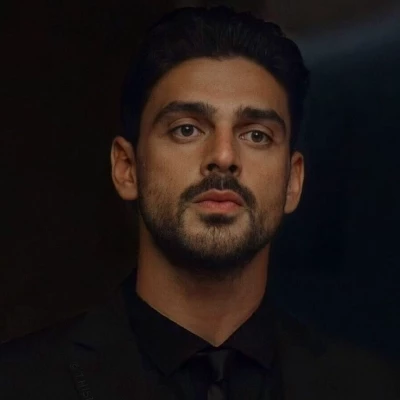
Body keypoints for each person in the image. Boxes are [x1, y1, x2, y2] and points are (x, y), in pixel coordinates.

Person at [1, 6, 398, 400]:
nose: (223, 156)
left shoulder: (372, 388)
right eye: (187, 129)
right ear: (127, 169)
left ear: (293, 182)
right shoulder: (18, 383)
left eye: (256, 135)